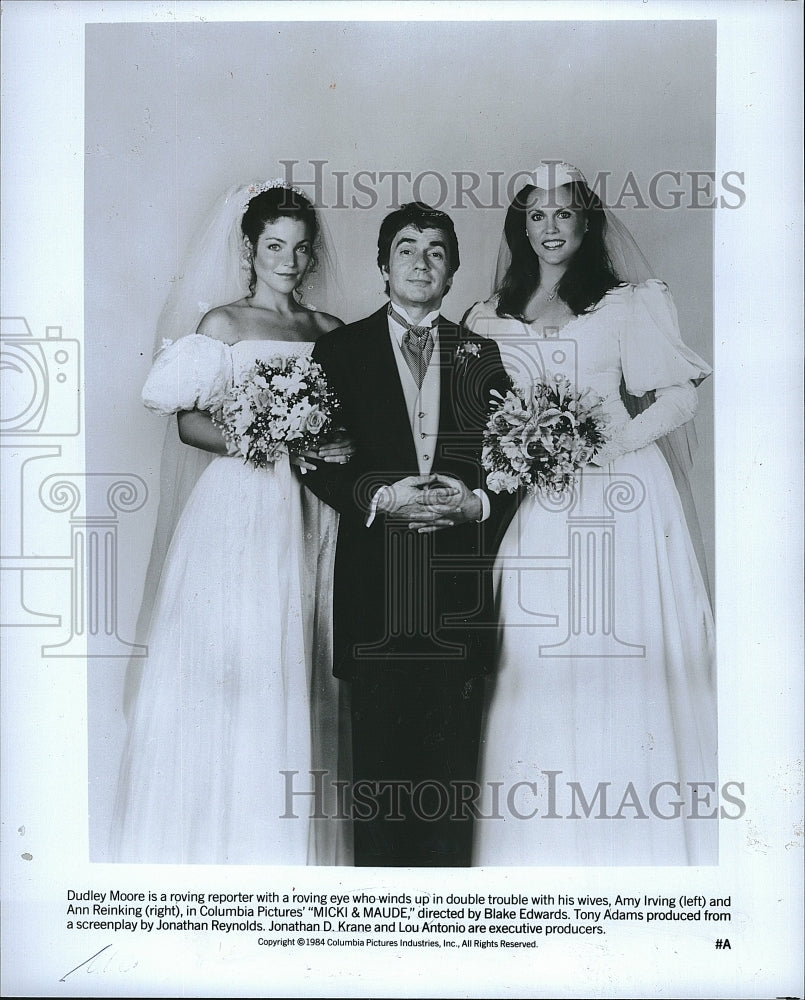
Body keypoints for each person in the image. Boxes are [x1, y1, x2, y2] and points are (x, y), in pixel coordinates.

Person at [464, 161, 717, 866]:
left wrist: (600, 446)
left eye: (563, 215)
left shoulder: (627, 301)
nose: (549, 229)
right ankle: (542, 851)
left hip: (619, 498)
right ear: (521, 225)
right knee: (540, 657)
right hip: (540, 506)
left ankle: (634, 846)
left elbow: (677, 399)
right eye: (536, 216)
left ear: (585, 222)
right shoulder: (489, 313)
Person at [109, 182, 352, 865]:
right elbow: (186, 420)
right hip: (241, 505)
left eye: (300, 249)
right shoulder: (222, 324)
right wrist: (266, 439)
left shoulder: (328, 331)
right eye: (274, 245)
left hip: (311, 508)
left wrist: (330, 444)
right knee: (239, 653)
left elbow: (348, 427)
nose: (288, 259)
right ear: (249, 249)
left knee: (305, 652)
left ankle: (290, 845)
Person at [301, 203, 514, 867]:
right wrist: (376, 497)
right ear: (381, 266)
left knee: (451, 778)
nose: (420, 262)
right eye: (405, 249)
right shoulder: (338, 350)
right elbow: (311, 456)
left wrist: (475, 505)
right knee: (380, 780)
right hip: (374, 584)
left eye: (435, 251)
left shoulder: (481, 352)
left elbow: (514, 459)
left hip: (457, 587)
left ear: (451, 271)